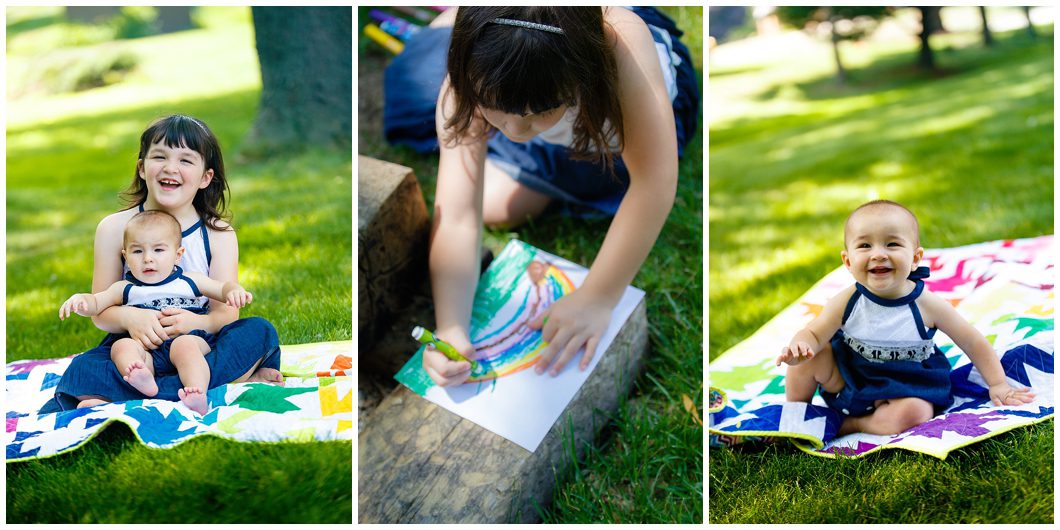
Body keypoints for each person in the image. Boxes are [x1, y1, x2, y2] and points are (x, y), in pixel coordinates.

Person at [383, 7, 700, 386]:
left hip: (610, 122)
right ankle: (448, 22)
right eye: (495, 108)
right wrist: (451, 326)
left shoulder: (621, 46)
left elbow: (654, 181)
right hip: (539, 95)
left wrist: (596, 298)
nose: (515, 130)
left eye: (542, 112)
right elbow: (457, 215)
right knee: (410, 92)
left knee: (526, 196)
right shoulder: (469, 81)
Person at [39, 114, 282, 413]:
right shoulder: (114, 229)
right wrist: (131, 319)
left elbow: (225, 314)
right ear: (142, 168)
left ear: (206, 177)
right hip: (137, 350)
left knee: (258, 331)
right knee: (84, 366)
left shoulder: (217, 234)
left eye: (185, 160)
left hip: (198, 345)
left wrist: (198, 322)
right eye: (159, 156)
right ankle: (223, 382)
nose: (170, 168)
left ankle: (124, 395)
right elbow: (102, 314)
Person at [775, 200, 1035, 435]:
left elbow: (972, 341)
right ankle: (796, 416)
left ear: (915, 258)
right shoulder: (847, 300)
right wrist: (802, 345)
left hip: (905, 386)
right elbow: (814, 333)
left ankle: (848, 425)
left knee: (916, 413)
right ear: (848, 261)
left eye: (892, 244)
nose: (878, 253)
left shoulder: (926, 304)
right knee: (809, 358)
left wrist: (998, 384)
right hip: (848, 381)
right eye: (865, 245)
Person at [59, 210, 254, 414]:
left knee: (192, 344)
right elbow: (97, 303)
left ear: (178, 254)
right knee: (120, 347)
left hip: (187, 340)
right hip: (145, 350)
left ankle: (196, 392)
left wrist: (234, 291)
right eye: (137, 252)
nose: (147, 259)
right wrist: (81, 301)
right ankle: (142, 379)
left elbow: (221, 288)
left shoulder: (190, 280)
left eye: (158, 250)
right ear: (125, 256)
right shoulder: (125, 288)